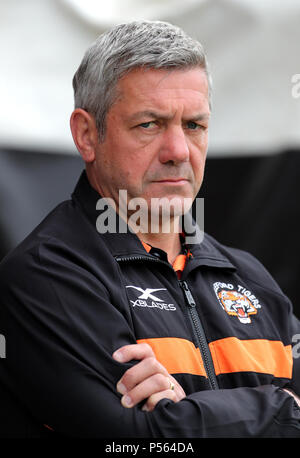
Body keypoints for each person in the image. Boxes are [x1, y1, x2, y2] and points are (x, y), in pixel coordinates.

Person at [0, 20, 299, 438]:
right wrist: (284, 408)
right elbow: (129, 441)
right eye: (149, 124)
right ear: (87, 135)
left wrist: (182, 417)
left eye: (194, 125)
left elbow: (165, 435)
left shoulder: (251, 278)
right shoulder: (46, 274)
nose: (178, 151)